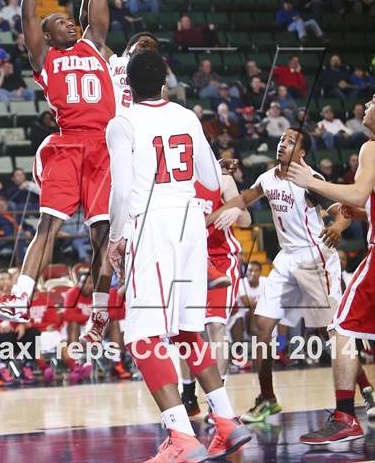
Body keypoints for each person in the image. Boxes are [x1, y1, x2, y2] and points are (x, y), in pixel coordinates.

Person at [106, 49, 251, 461]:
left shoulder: (123, 122)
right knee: (189, 328)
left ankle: (182, 436)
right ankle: (225, 421)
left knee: (140, 334)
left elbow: (119, 191)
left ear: (128, 87)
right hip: (191, 225)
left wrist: (116, 237)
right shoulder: (187, 116)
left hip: (151, 225)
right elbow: (209, 176)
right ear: (165, 83)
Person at [0, 0, 116, 345]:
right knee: (49, 226)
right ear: (47, 36)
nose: (68, 24)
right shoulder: (44, 57)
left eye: (69, 19)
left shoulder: (95, 43)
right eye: (59, 22)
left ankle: (99, 315)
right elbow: (27, 15)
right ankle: (21, 296)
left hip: (103, 145)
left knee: (102, 235)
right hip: (67, 143)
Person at [208, 128, 349, 423]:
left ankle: (365, 391)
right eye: (281, 139)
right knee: (260, 327)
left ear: (302, 153)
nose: (282, 144)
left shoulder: (311, 179)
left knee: (330, 331)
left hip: (314, 257)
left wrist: (337, 226)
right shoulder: (268, 177)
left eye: (290, 141)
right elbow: (246, 197)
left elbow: (343, 211)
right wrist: (208, 218)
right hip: (286, 258)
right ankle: (267, 399)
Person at [287, 95, 375, 443]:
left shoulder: (371, 147)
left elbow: (356, 191)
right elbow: (360, 199)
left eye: (373, 100)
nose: (367, 103)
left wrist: (311, 181)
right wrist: (365, 212)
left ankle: (345, 417)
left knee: (340, 328)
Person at [181, 159, 251, 419]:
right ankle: (188, 395)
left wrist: (236, 211)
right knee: (185, 329)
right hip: (189, 260)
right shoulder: (176, 182)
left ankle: (217, 400)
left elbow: (245, 220)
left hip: (221, 259)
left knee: (215, 326)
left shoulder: (223, 180)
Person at [0, 196, 35, 262]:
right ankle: (21, 262)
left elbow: (28, 226)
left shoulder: (14, 215)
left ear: (7, 206)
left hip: (18, 238)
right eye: (0, 206)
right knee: (19, 236)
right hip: (3, 240)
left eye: (3, 205)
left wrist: (28, 231)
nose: (2, 207)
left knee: (21, 236)